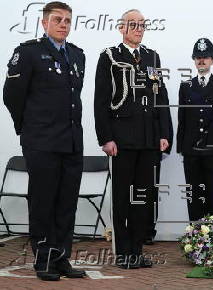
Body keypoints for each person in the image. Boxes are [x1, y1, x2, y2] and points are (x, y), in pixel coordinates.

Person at [3, 1, 86, 281]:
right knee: (43, 203)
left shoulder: (77, 55)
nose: (63, 24)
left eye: (67, 20)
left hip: (72, 143)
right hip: (41, 142)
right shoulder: (28, 53)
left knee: (66, 203)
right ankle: (43, 260)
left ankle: (62, 258)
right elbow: (12, 95)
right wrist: (27, 128)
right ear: (44, 23)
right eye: (58, 19)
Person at [94, 9, 172, 269]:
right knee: (122, 198)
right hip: (122, 140)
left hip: (149, 140)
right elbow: (101, 100)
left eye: (141, 25)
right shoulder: (109, 57)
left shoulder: (152, 57)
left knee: (142, 197)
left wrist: (164, 133)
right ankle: (123, 252)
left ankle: (138, 250)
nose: (138, 29)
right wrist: (105, 138)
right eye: (133, 25)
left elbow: (161, 97)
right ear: (121, 28)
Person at [177, 38, 213, 222]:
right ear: (194, 60)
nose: (202, 60)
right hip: (191, 150)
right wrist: (181, 147)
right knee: (194, 194)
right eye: (198, 57)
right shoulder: (185, 87)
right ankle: (194, 236)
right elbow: (182, 119)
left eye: (206, 57)